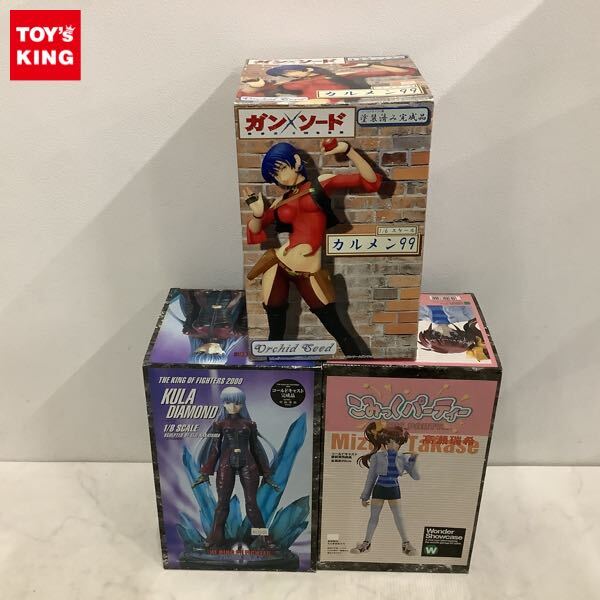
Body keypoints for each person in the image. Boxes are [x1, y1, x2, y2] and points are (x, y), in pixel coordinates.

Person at [245, 139, 382, 356]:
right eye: (275, 175)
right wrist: (257, 214)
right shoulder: (280, 201)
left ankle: (360, 367)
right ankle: (272, 369)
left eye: (282, 169)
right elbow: (255, 229)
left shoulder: (320, 184)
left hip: (308, 271)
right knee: (275, 332)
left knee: (337, 328)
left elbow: (370, 181)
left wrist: (349, 150)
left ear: (296, 161)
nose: (281, 178)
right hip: (278, 265)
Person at [192, 387, 279, 547]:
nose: (232, 406)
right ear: (223, 404)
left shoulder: (250, 424)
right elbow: (215, 449)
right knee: (222, 503)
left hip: (248, 463)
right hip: (226, 463)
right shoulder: (219, 424)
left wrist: (266, 473)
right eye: (228, 402)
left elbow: (256, 448)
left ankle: (264, 536)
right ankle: (215, 537)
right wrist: (205, 472)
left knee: (252, 504)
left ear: (242, 404)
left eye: (237, 402)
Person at [351, 422, 420, 555]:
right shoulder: (377, 457)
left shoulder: (403, 457)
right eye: (389, 442)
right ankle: (366, 543)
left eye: (396, 442)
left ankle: (406, 543)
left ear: (400, 443)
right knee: (373, 517)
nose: (392, 445)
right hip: (379, 489)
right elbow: (371, 477)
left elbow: (415, 476)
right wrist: (365, 496)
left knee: (399, 517)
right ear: (384, 442)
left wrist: (413, 460)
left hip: (394, 489)